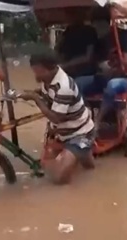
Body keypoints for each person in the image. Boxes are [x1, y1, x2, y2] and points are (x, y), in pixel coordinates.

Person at [19, 49, 95, 184]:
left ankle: (82, 150)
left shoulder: (64, 87)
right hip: (62, 132)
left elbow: (55, 118)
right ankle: (82, 155)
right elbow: (48, 96)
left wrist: (34, 98)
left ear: (50, 69)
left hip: (79, 133)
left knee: (60, 180)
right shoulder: (48, 80)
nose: (35, 75)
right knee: (87, 165)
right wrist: (30, 94)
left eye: (37, 71)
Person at [75, 24, 127, 129]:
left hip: (123, 79)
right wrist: (101, 66)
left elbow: (126, 62)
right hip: (103, 77)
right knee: (77, 83)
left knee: (111, 85)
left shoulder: (123, 36)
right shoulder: (100, 40)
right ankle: (85, 117)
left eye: (100, 23)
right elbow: (96, 61)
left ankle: (98, 121)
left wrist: (112, 69)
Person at [55, 9, 98, 92]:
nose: (68, 17)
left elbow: (88, 57)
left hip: (85, 72)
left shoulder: (89, 31)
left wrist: (66, 65)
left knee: (75, 84)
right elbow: (58, 52)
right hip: (67, 71)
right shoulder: (67, 33)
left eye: (72, 14)